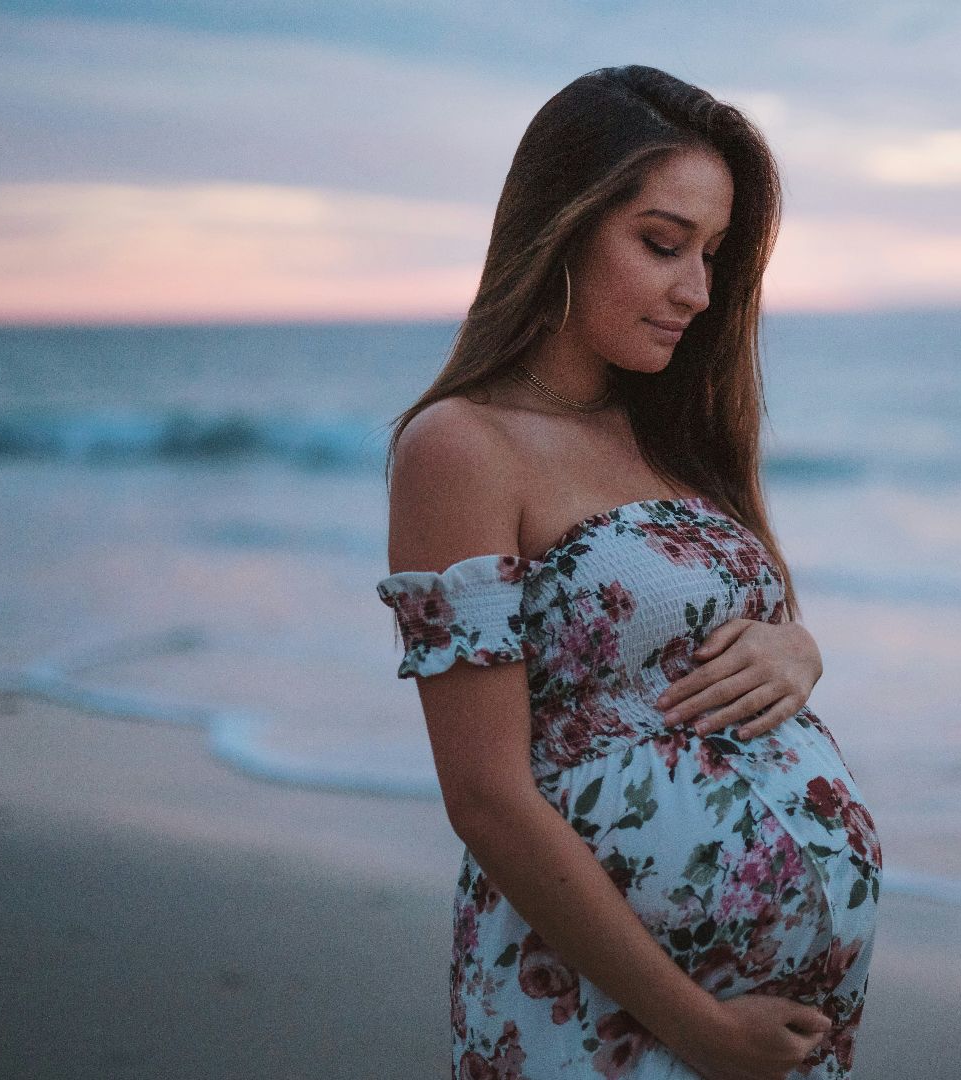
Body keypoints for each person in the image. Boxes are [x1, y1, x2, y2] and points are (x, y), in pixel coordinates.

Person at [376, 65, 881, 1079]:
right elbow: (484, 795)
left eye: (713, 255)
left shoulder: (674, 433)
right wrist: (696, 1025)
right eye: (662, 244)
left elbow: (736, 628)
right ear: (560, 227)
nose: (697, 291)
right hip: (605, 1024)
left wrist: (798, 647)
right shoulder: (462, 447)